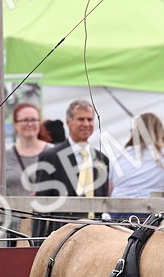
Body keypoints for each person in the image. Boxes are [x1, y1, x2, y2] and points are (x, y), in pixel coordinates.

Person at [31, 100, 110, 239]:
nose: (86, 124)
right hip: (62, 238)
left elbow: (103, 201)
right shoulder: (51, 157)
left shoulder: (102, 159)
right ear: (69, 122)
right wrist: (37, 242)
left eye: (89, 119)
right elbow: (41, 205)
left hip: (97, 237)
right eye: (81, 119)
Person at [110, 112, 164, 205]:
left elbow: (109, 190)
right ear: (161, 131)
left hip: (116, 213)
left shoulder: (120, 156)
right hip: (151, 214)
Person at [4, 102, 48, 196]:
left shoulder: (53, 152)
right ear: (15, 124)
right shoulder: (5, 155)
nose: (30, 124)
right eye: (25, 120)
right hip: (13, 210)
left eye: (34, 120)